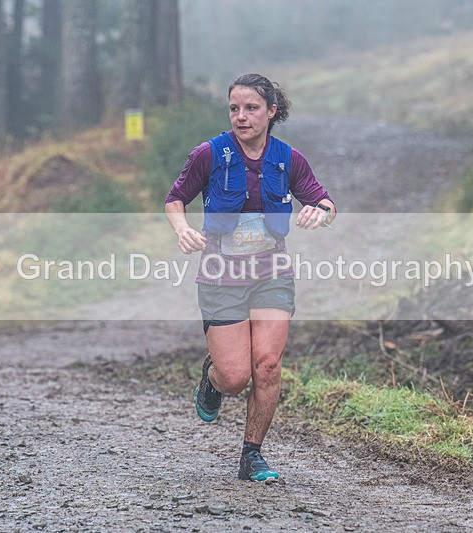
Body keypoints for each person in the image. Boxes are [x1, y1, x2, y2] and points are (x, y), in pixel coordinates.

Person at [164, 73, 335, 482]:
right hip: (221, 273)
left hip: (271, 272)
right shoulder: (209, 153)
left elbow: (325, 201)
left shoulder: (288, 158)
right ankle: (212, 378)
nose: (241, 117)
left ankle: (251, 454)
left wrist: (320, 212)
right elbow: (175, 199)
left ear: (271, 112)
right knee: (235, 376)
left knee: (268, 365)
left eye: (252, 108)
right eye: (235, 108)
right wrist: (182, 228)